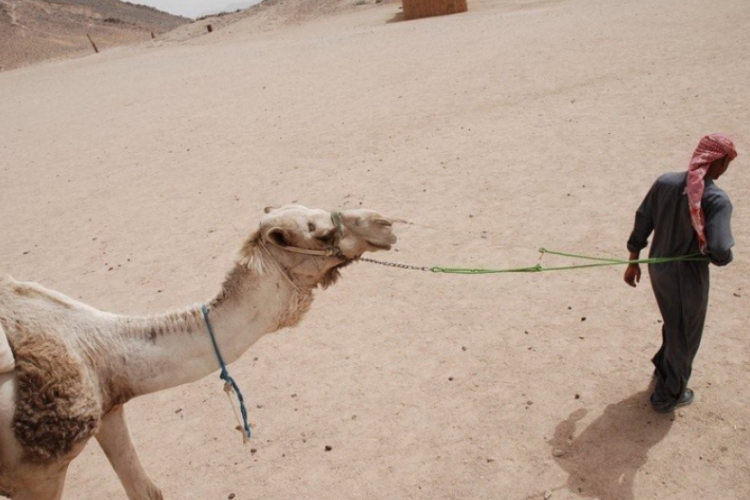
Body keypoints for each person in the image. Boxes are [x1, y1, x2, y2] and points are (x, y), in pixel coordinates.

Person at [624, 133, 738, 413]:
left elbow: (643, 220)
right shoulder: (715, 199)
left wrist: (633, 260)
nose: (726, 168)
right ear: (718, 161)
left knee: (674, 323)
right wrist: (721, 256)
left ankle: (664, 369)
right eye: (727, 162)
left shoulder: (665, 182)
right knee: (686, 333)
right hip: (688, 277)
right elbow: (721, 249)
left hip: (658, 269)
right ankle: (669, 393)